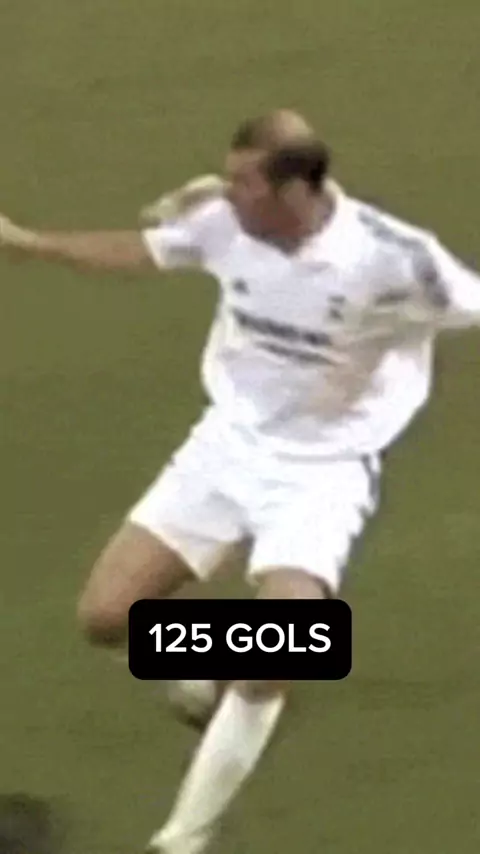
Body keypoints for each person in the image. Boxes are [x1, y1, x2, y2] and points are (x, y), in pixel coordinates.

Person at [2, 107, 480, 854]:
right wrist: (30, 244)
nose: (225, 193)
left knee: (283, 645)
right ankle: (207, 672)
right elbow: (142, 251)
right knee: (105, 618)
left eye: (242, 182)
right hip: (226, 446)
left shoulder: (393, 260)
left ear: (295, 190)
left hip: (323, 470)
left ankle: (182, 838)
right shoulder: (226, 223)